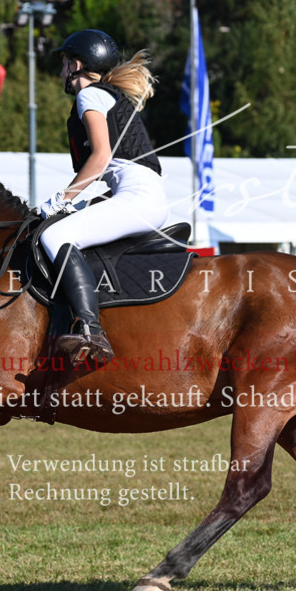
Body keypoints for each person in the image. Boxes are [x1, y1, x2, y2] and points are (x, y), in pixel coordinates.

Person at [38, 29, 169, 365]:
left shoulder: (90, 95)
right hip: (141, 195)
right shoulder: (108, 95)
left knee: (55, 235)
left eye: (65, 63)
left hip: (138, 197)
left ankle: (90, 331)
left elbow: (99, 158)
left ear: (78, 65)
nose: (61, 71)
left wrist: (60, 199)